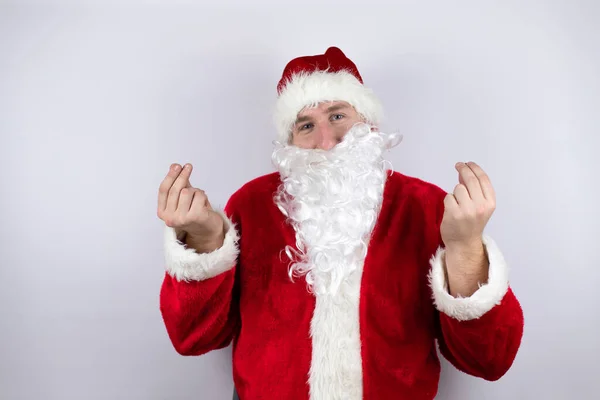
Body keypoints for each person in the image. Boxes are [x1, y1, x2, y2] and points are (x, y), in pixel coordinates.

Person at [156, 46, 524, 400]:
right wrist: (204, 242)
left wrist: (465, 249)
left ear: (368, 122)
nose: (326, 142)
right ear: (290, 142)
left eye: (337, 116)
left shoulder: (424, 205)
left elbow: (489, 360)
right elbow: (194, 338)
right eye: (305, 125)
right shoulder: (251, 205)